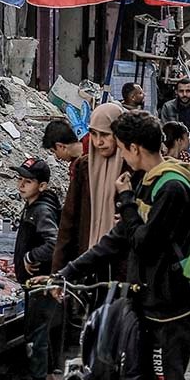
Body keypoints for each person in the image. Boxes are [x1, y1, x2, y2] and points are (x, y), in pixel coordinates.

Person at [55, 111, 190, 380]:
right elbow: (117, 239)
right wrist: (70, 271)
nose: (119, 154)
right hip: (143, 308)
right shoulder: (145, 182)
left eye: (121, 147)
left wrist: (125, 201)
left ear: (134, 148)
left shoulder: (171, 187)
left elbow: (144, 243)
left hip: (167, 314)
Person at [52, 102, 130, 280]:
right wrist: (58, 272)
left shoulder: (132, 168)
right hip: (86, 265)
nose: (98, 142)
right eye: (94, 134)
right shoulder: (83, 167)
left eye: (105, 135)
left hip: (122, 270)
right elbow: (69, 222)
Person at [9, 158, 62, 380]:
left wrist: (30, 256)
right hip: (34, 282)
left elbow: (53, 242)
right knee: (42, 330)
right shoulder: (32, 206)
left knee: (35, 333)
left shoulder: (41, 210)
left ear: (41, 186)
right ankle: (50, 377)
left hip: (40, 281)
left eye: (27, 181)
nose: (21, 185)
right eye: (19, 179)